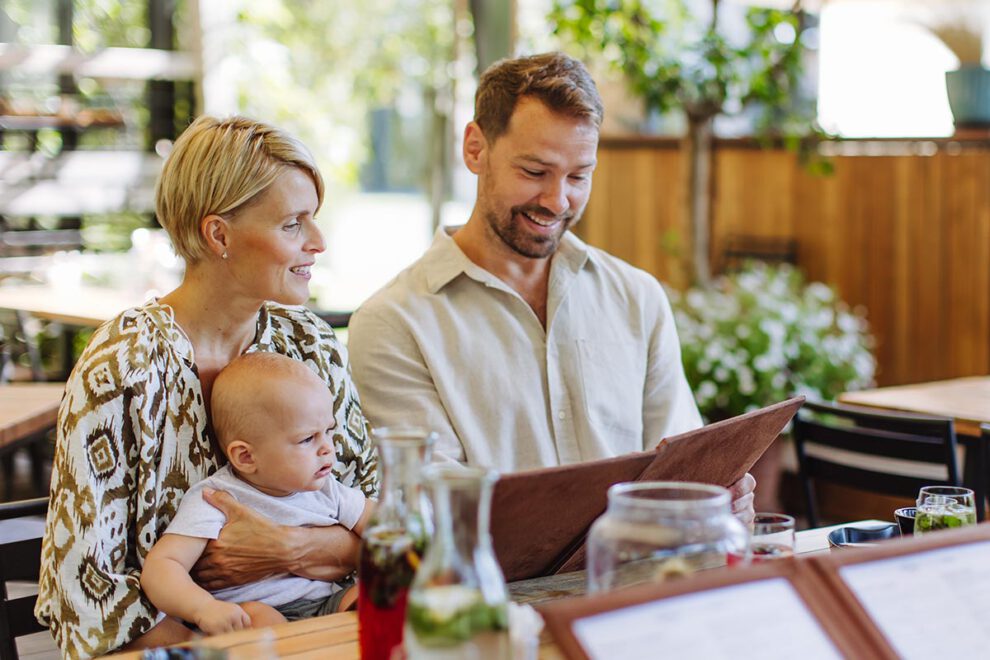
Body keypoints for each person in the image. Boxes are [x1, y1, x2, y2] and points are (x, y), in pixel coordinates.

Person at [348, 52, 755, 519]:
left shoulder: (637, 297)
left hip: (645, 580)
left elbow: (681, 475)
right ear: (475, 149)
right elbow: (436, 515)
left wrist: (713, 498)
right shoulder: (392, 324)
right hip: (495, 591)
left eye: (579, 176)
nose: (557, 200)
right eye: (535, 172)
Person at [36, 115, 377, 658]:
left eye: (314, 219)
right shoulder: (120, 367)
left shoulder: (309, 342)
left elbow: (381, 523)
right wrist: (234, 644)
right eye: (293, 224)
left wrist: (288, 549)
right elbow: (85, 596)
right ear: (218, 234)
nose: (319, 242)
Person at [142, 353, 374, 634]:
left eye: (328, 431)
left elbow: (387, 527)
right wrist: (203, 607)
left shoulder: (327, 488)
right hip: (257, 611)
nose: (328, 448)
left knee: (379, 599)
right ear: (246, 457)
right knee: (260, 621)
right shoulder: (217, 499)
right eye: (307, 439)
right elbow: (163, 566)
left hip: (328, 601)